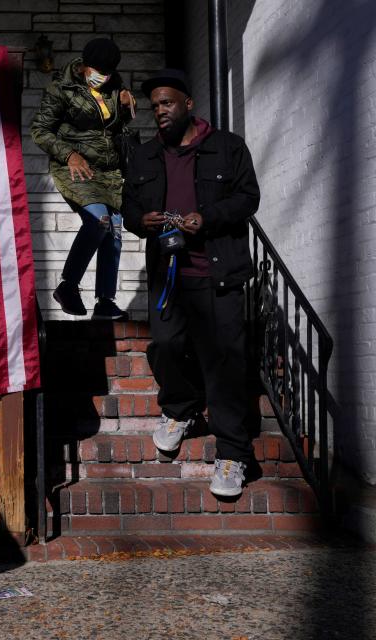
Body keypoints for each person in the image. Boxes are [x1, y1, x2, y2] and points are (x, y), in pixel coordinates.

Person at [121, 69, 261, 498]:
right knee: (163, 345)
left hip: (218, 274)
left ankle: (233, 455)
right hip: (170, 274)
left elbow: (248, 197)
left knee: (226, 364)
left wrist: (210, 217)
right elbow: (129, 207)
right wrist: (139, 221)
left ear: (187, 104)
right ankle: (179, 409)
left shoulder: (227, 147)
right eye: (154, 106)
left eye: (166, 103)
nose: (159, 111)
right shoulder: (145, 156)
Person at [30, 37, 136, 321]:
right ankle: (68, 286)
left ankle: (105, 302)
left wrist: (125, 107)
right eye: (98, 69)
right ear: (85, 65)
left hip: (109, 171)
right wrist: (69, 155)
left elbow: (113, 130)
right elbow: (40, 130)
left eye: (109, 71)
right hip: (76, 167)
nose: (103, 76)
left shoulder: (115, 87)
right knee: (99, 220)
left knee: (113, 229)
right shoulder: (62, 88)